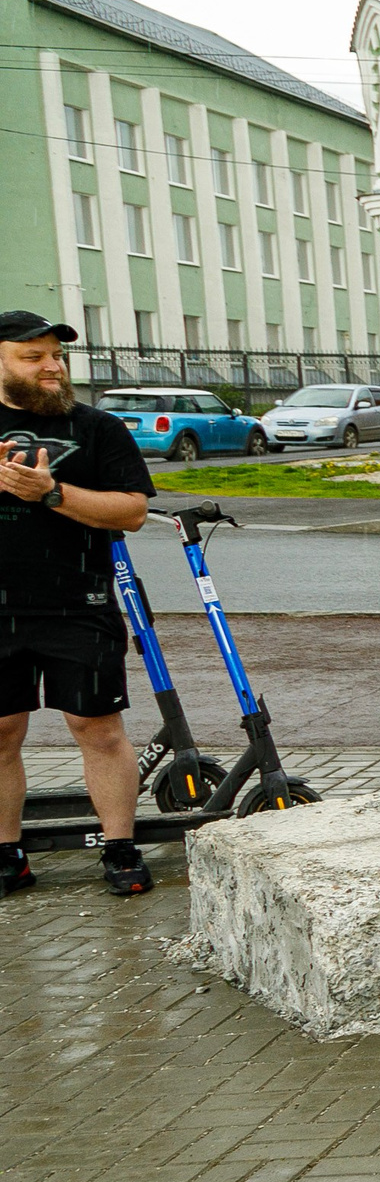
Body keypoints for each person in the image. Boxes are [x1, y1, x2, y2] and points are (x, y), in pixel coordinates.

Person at [0, 312, 154, 897]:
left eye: (55, 356)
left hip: (77, 602)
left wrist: (52, 492)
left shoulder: (97, 429)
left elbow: (133, 512)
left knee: (98, 728)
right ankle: (6, 855)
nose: (51, 366)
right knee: (1, 731)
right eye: (32, 356)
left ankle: (119, 847)